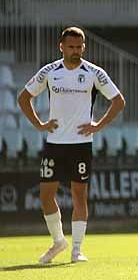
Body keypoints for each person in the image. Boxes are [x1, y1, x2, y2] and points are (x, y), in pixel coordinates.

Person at [17, 26, 126, 265]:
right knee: (46, 196)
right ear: (61, 47)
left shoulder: (94, 73)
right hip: (54, 143)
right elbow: (24, 98)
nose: (75, 51)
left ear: (84, 47)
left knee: (79, 196)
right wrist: (39, 124)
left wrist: (98, 125)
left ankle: (77, 250)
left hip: (81, 144)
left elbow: (118, 101)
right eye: (71, 47)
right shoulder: (49, 71)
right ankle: (58, 242)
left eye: (79, 46)